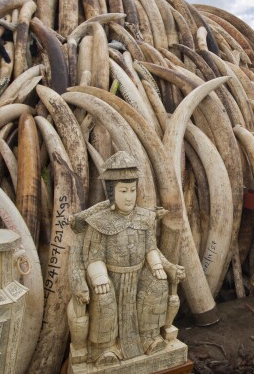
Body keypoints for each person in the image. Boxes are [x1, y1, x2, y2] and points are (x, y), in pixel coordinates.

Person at [70, 151, 179, 365]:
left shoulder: (144, 217)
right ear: (112, 192)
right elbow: (93, 256)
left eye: (132, 190)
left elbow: (151, 247)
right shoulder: (99, 222)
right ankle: (106, 347)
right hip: (111, 279)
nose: (129, 196)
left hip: (138, 274)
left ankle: (149, 337)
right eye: (123, 191)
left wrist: (156, 264)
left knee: (156, 285)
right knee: (104, 300)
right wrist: (99, 276)